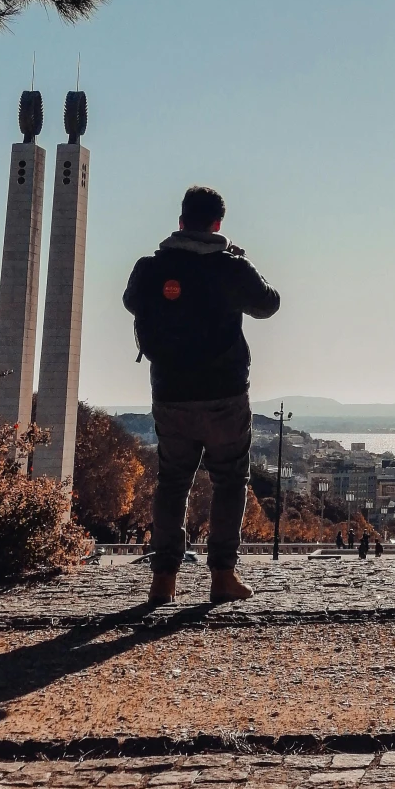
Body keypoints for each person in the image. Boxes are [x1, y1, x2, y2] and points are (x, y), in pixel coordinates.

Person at [123, 184, 280, 608]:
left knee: (172, 482)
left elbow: (130, 301)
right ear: (217, 224)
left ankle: (163, 581)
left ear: (180, 221)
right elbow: (269, 304)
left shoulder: (151, 267)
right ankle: (223, 576)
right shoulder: (231, 268)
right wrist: (241, 261)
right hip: (224, 393)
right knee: (229, 480)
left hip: (170, 393)